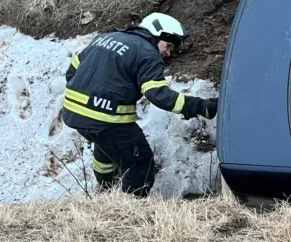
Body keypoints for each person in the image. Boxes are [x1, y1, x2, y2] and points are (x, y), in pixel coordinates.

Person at [62, 13, 218, 197]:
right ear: (156, 34)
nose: (168, 53)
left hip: (73, 113)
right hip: (107, 120)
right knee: (140, 163)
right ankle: (130, 210)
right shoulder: (147, 53)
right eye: (168, 45)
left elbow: (71, 72)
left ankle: (105, 189)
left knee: (106, 146)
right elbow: (158, 94)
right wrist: (200, 106)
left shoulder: (104, 38)